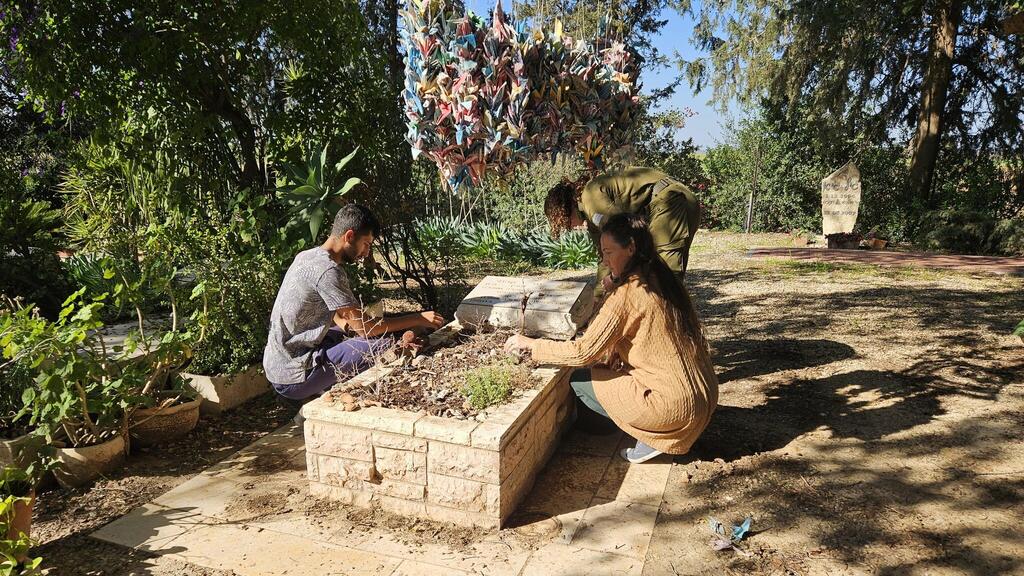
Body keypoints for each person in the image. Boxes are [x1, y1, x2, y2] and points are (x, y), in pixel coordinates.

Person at [505, 213, 718, 463]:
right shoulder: (660, 275)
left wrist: (531, 345)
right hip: (704, 397)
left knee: (580, 381)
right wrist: (615, 281)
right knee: (607, 369)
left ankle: (649, 437)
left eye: (608, 252)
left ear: (631, 248)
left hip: (674, 409)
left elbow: (583, 352)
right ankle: (645, 424)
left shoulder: (627, 295)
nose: (604, 261)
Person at [263, 203, 445, 402]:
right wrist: (418, 318)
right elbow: (367, 329)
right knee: (385, 344)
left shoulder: (307, 257)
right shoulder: (328, 271)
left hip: (278, 364)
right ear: (349, 236)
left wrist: (344, 324)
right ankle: (331, 400)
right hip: (294, 375)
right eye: (366, 244)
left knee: (352, 335)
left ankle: (324, 389)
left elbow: (323, 305)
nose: (367, 252)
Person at [544, 167, 701, 295]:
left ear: (565, 209)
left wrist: (615, 278)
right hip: (675, 202)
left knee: (663, 276)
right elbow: (605, 259)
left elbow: (622, 233)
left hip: (671, 200)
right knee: (658, 276)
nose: (570, 228)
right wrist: (598, 296)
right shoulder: (593, 219)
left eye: (565, 223)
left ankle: (668, 328)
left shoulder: (589, 196)